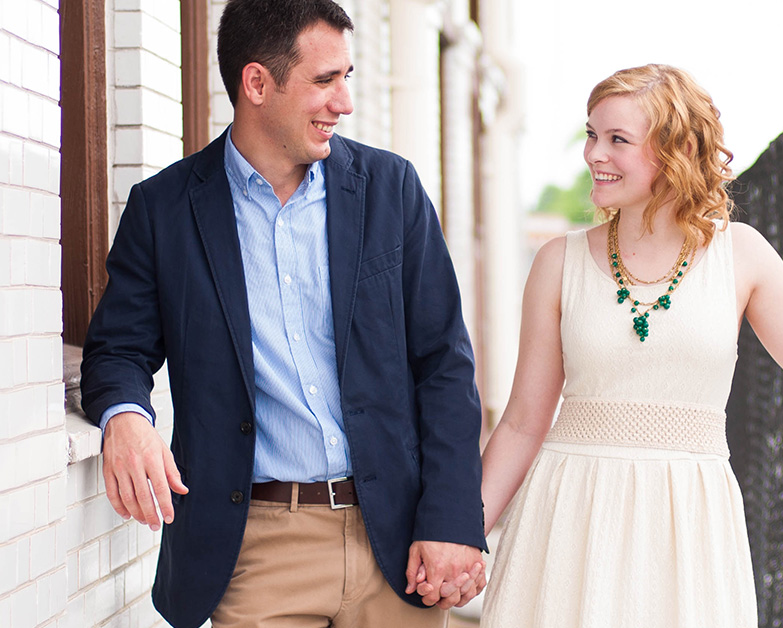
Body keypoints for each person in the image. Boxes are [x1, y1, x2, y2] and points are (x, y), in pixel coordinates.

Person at [80, 1, 487, 626]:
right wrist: (126, 416)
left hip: (396, 542)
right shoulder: (163, 211)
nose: (344, 102)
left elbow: (444, 365)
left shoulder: (391, 191)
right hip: (258, 549)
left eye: (347, 77)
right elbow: (117, 350)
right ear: (257, 84)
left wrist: (453, 520)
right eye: (325, 80)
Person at [478, 64, 783, 628]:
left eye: (618, 139)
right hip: (570, 516)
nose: (595, 153)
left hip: (687, 526)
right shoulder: (557, 262)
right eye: (593, 134)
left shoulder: (740, 255)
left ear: (676, 150)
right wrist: (465, 535)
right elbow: (523, 421)